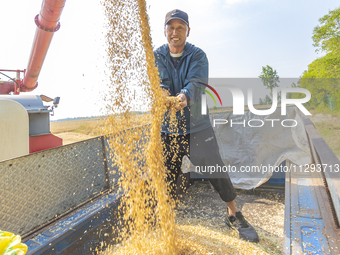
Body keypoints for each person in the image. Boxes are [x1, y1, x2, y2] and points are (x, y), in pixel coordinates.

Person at [153, 9, 259, 243]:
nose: (175, 32)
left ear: (188, 31)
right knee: (166, 177)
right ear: (164, 31)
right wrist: (161, 92)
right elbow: (159, 82)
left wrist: (182, 98)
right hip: (167, 130)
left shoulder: (198, 55)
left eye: (180, 28)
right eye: (170, 27)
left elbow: (196, 84)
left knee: (216, 171)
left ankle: (233, 213)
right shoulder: (157, 55)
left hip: (196, 127)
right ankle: (167, 221)